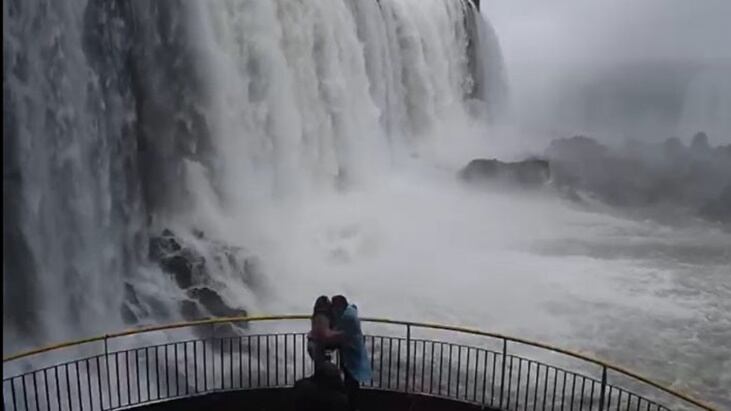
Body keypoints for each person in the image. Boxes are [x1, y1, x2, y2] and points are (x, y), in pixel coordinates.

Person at [331, 295, 371, 411]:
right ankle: (352, 405)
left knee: (351, 383)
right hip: (352, 352)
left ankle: (351, 406)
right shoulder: (351, 311)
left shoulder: (347, 318)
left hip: (351, 354)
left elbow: (335, 333)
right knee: (352, 382)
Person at [307, 296, 342, 365]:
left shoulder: (317, 316)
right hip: (319, 347)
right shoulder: (322, 317)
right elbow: (324, 333)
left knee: (321, 368)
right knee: (324, 368)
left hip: (314, 345)